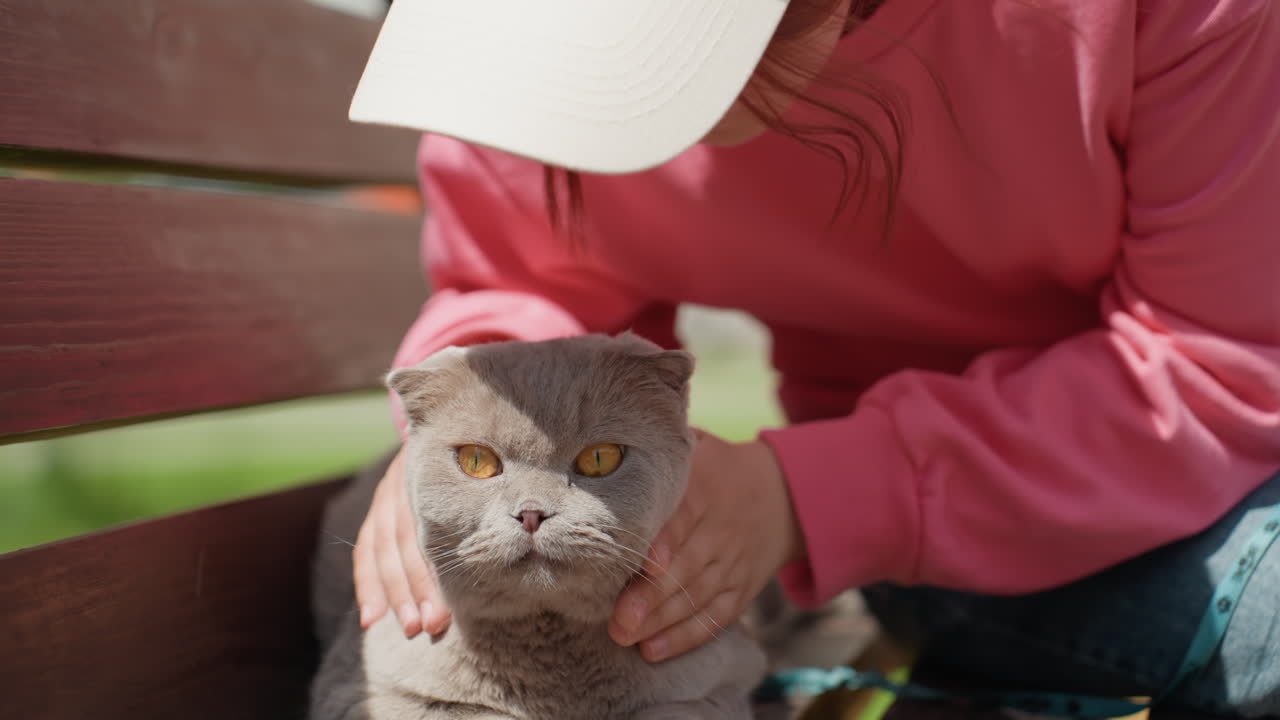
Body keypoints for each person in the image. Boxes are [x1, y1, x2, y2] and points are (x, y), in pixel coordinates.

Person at [347, 0, 1280, 715]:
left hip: (1083, 495)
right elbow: (524, 278)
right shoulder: (527, 49)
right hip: (931, 540)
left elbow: (1218, 356)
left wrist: (808, 496)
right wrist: (467, 423)